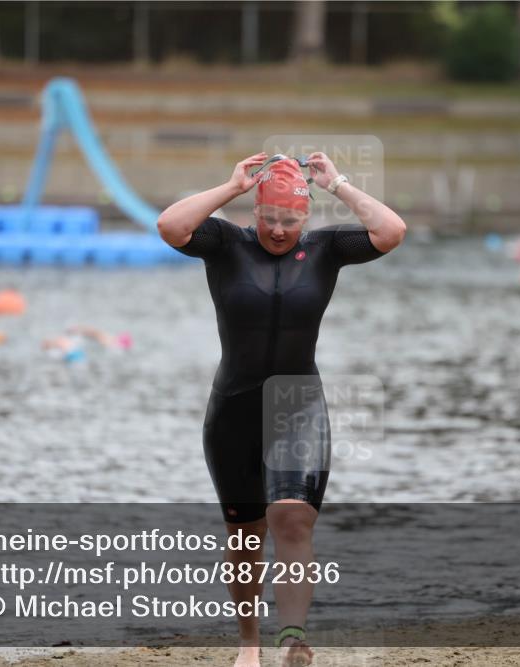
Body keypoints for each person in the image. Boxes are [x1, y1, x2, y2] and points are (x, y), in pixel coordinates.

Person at [157, 152, 405, 667]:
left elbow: (391, 231)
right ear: (254, 213)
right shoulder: (226, 243)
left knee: (292, 518)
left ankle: (292, 638)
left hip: (298, 403)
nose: (277, 230)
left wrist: (337, 183)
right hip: (234, 408)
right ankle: (249, 640)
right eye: (268, 218)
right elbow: (170, 226)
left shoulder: (328, 249)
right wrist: (229, 188)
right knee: (246, 537)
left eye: (290, 220)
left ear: (306, 217)